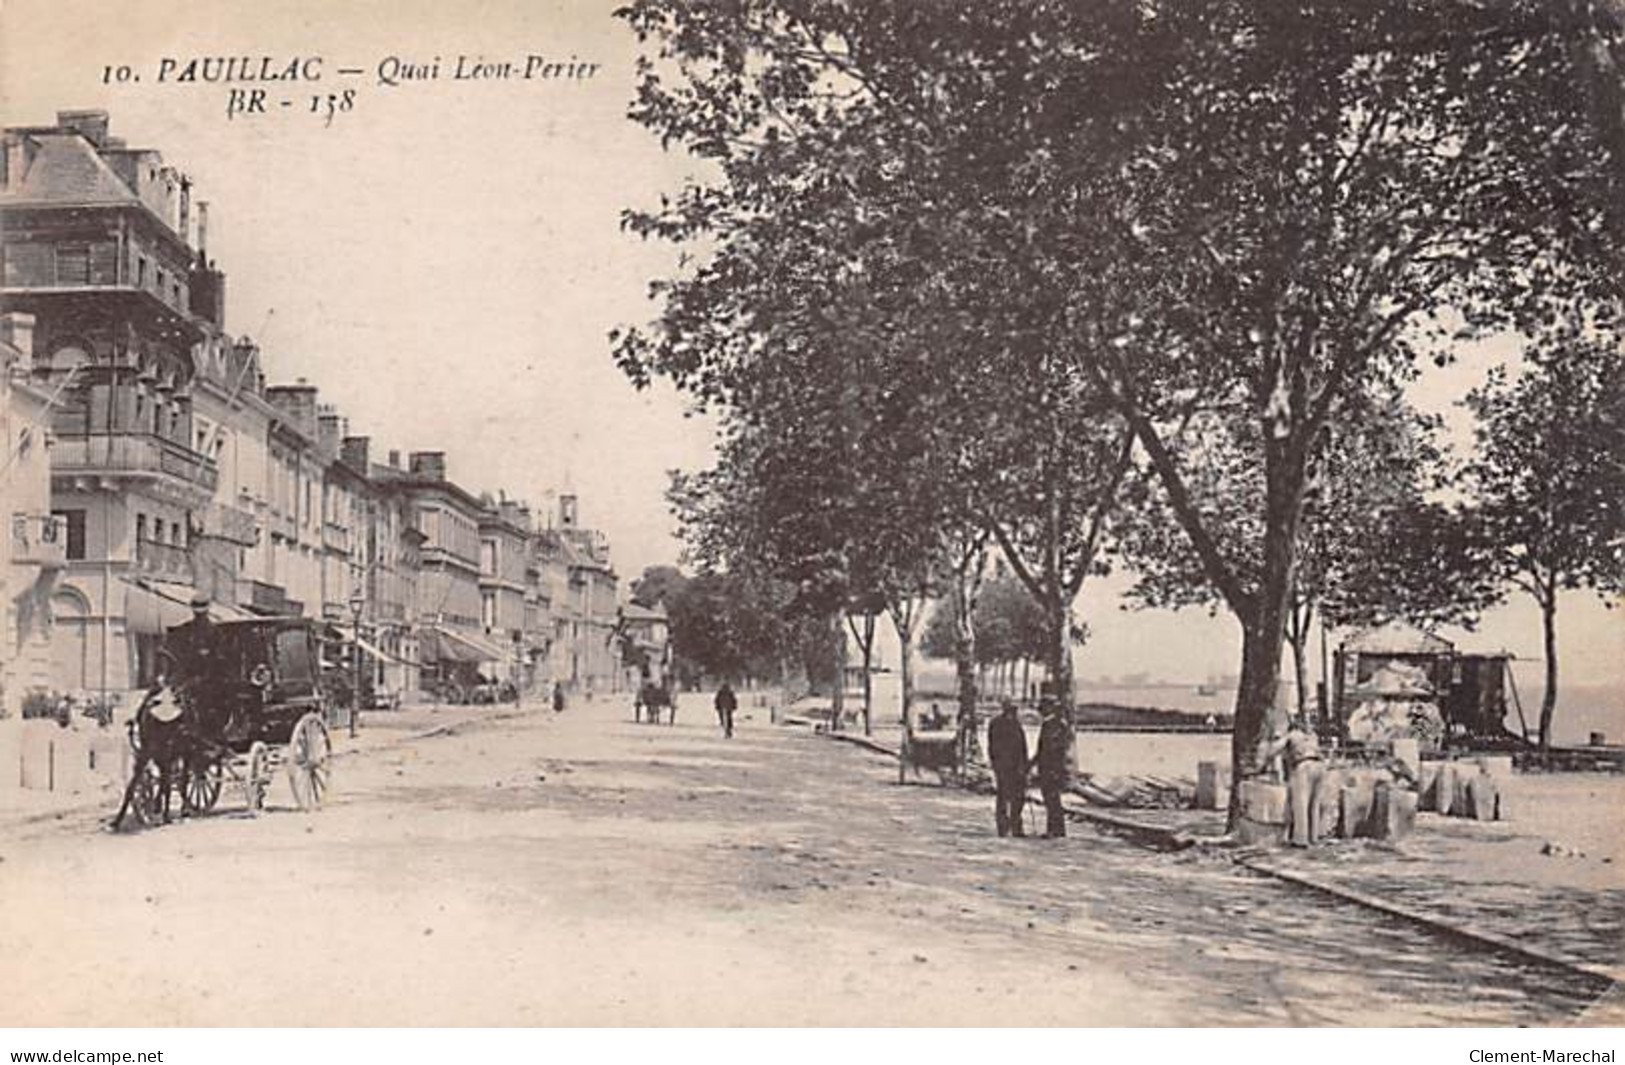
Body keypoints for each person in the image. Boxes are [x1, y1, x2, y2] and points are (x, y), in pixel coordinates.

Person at [1262, 713, 1326, 847]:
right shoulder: (1313, 736)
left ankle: (1301, 840)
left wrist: (1272, 744)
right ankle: (1314, 837)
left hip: (1304, 766)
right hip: (1320, 767)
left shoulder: (1293, 734)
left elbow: (1273, 751)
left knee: (1301, 804)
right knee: (1314, 805)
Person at [986, 699, 1029, 838]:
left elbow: (1022, 747)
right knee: (1004, 797)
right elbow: (992, 746)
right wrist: (996, 763)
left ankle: (1014, 826)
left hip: (1014, 767)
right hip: (1005, 766)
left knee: (1016, 797)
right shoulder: (998, 724)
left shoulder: (1015, 724)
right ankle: (1005, 827)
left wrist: (1024, 765)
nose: (1014, 712)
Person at [1033, 697, 1071, 839]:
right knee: (1050, 799)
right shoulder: (1051, 724)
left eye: (1043, 707)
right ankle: (1056, 830)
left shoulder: (1055, 725)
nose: (1041, 710)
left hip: (1052, 768)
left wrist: (1054, 769)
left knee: (1052, 799)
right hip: (1048, 767)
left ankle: (1056, 830)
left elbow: (1052, 749)